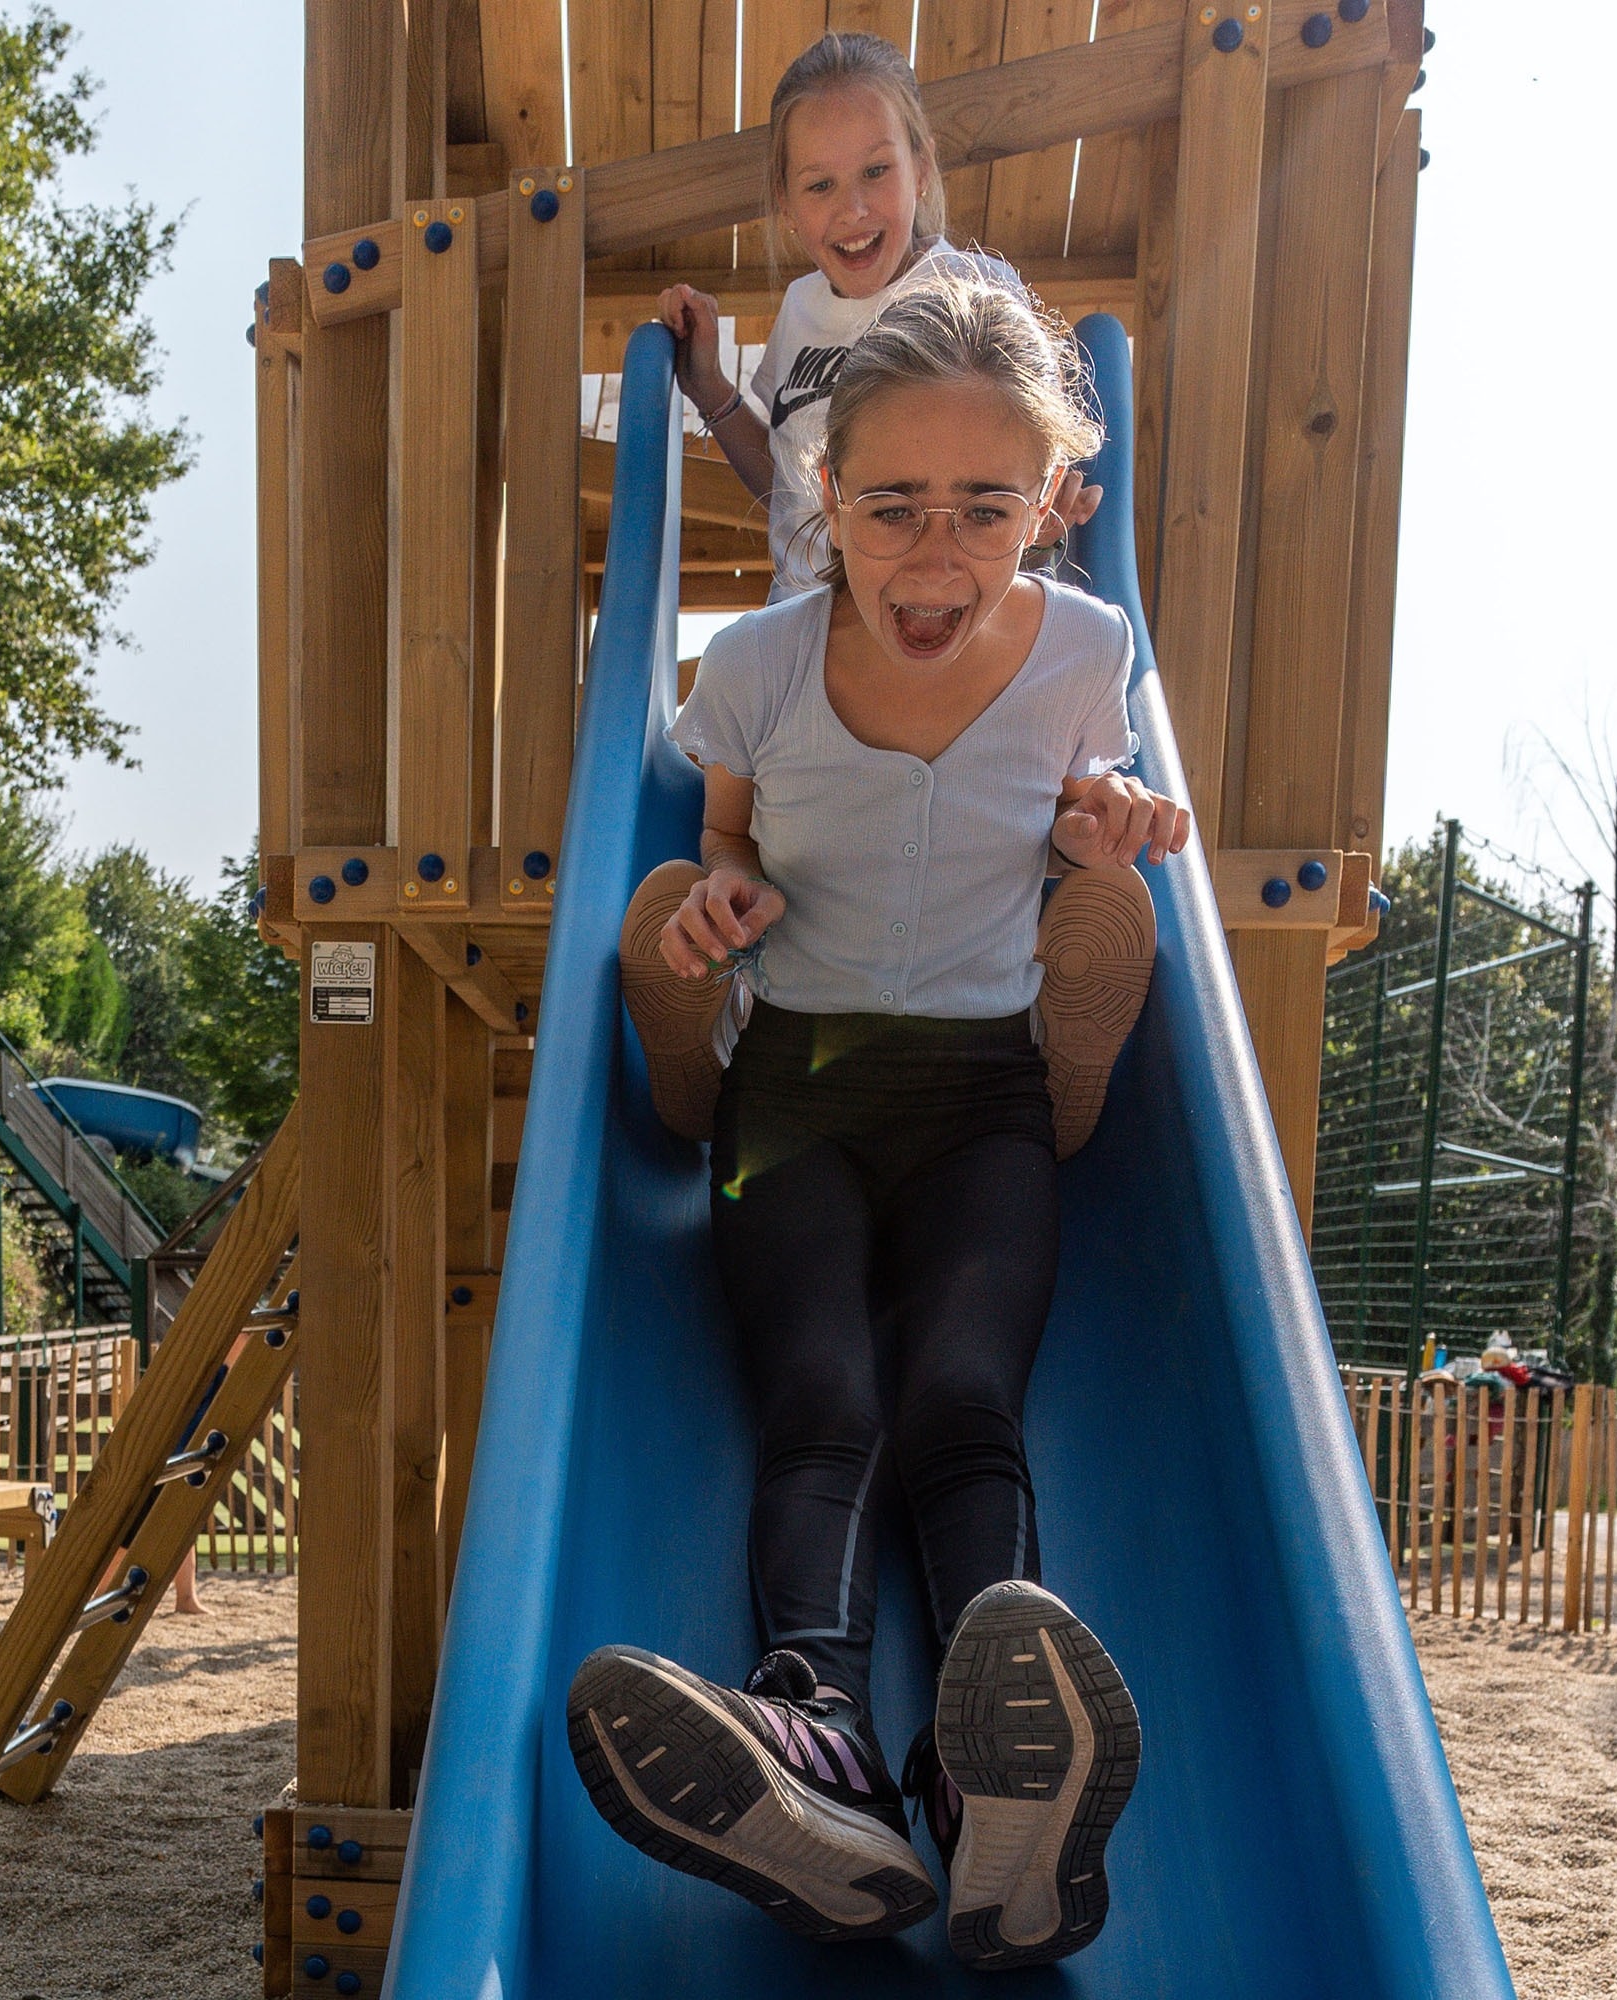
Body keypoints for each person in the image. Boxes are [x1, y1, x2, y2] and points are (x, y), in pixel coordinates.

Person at [564, 272, 1185, 1972]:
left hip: (986, 1089)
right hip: (801, 1092)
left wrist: (1109, 821)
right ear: (822, 496)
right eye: (890, 503)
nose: (930, 553)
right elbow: (740, 845)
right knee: (826, 1400)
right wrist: (715, 909)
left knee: (965, 1401)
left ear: (1057, 506)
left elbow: (1078, 810)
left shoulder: (1084, 650)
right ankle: (814, 1741)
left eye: (985, 508)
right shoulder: (759, 666)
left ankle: (995, 1808)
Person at [655, 31, 1096, 601]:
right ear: (785, 202)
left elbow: (1026, 491)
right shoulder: (800, 308)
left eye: (875, 171)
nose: (852, 210)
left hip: (934, 613)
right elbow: (792, 490)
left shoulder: (971, 290)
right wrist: (710, 389)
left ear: (922, 166)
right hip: (805, 625)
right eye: (820, 184)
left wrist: (1041, 539)